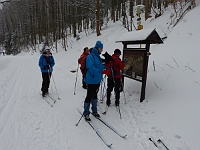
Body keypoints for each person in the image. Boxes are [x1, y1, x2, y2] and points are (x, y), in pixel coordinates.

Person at [83, 41, 104, 121]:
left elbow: (100, 66)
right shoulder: (90, 57)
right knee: (89, 96)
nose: (102, 50)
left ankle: (94, 111)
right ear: (98, 48)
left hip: (97, 80)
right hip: (91, 80)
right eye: (101, 49)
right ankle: (86, 113)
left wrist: (105, 66)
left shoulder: (98, 57)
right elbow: (91, 68)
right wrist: (100, 70)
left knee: (95, 95)